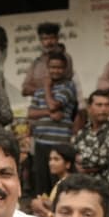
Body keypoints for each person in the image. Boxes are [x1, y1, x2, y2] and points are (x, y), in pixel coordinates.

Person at [26, 53, 77, 196]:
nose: (56, 70)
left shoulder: (68, 87)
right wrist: (49, 114)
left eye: (59, 68)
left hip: (59, 143)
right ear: (48, 68)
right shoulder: (38, 91)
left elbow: (54, 105)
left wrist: (47, 86)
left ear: (65, 69)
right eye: (52, 67)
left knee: (58, 183)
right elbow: (30, 113)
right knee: (42, 182)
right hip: (41, 142)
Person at [74, 90, 109, 202]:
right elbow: (71, 155)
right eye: (99, 105)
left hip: (106, 194)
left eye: (107, 105)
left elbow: (100, 160)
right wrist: (77, 162)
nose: (103, 109)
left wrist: (79, 160)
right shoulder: (82, 132)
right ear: (89, 108)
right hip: (83, 191)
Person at [20, 22, 74, 99]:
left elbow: (64, 86)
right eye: (45, 39)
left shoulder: (65, 58)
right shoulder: (36, 62)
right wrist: (46, 92)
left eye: (52, 38)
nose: (49, 42)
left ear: (57, 38)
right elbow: (25, 90)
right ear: (41, 41)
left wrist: (37, 90)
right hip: (39, 107)